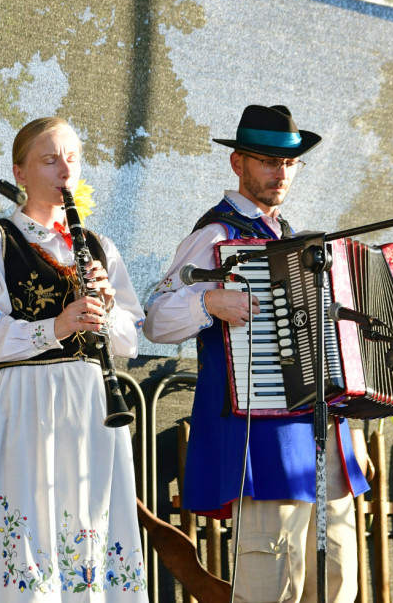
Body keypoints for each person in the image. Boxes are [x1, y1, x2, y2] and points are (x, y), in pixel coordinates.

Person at [142, 105, 374, 602]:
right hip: (261, 431)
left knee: (336, 577)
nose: (281, 173)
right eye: (269, 161)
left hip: (320, 428)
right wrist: (208, 301)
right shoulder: (216, 236)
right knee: (271, 583)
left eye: (290, 164)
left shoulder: (293, 239)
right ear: (238, 164)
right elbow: (157, 317)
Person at [0, 117, 147, 601]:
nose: (66, 170)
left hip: (93, 404)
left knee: (92, 523)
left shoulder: (100, 247)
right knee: (30, 529)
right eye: (50, 159)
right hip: (28, 401)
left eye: (73, 158)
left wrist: (106, 307)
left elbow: (130, 340)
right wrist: (57, 327)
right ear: (20, 172)